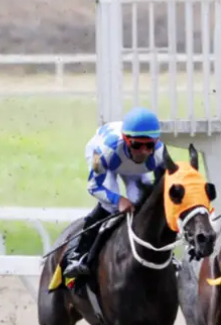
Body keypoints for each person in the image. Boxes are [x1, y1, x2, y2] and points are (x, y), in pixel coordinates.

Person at [61, 106, 168, 279]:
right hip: (107, 164)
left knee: (143, 204)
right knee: (110, 207)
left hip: (135, 170)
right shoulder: (104, 151)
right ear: (126, 140)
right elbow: (94, 186)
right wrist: (118, 200)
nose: (144, 151)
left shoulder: (159, 154)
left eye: (149, 145)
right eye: (137, 145)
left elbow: (162, 190)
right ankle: (79, 255)